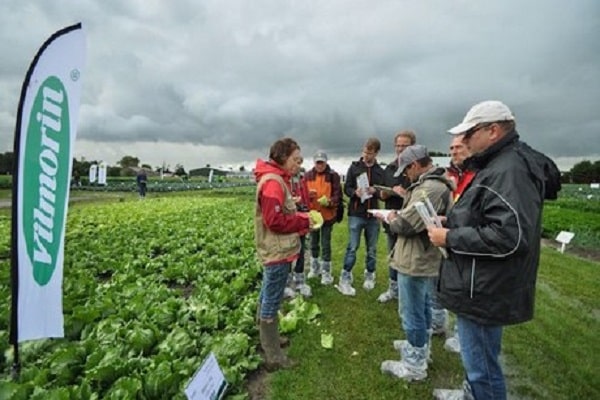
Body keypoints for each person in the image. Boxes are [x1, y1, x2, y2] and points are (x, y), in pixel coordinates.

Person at [428, 101, 546, 399]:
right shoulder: (499, 164)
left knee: (483, 369)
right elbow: (486, 215)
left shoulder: (508, 170)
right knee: (477, 362)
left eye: (469, 134)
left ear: (493, 130)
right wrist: (451, 220)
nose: (463, 142)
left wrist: (451, 237)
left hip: (483, 288)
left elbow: (509, 236)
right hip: (480, 283)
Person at [376, 145, 453, 381]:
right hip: (420, 256)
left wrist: (390, 217)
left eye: (406, 170)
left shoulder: (430, 187)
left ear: (416, 165)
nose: (406, 176)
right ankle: (420, 347)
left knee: (411, 311)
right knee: (421, 308)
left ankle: (414, 365)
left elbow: (406, 225)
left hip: (416, 259)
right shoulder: (434, 184)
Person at [254, 137, 316, 370]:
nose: (299, 164)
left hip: (276, 249)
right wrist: (302, 221)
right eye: (296, 160)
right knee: (272, 298)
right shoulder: (273, 182)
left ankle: (267, 339)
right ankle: (273, 355)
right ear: (282, 157)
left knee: (268, 292)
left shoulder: (277, 179)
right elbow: (274, 221)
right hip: (277, 250)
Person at [438, 134, 477, 352]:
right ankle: (461, 335)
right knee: (458, 288)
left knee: (469, 290)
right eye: (451, 147)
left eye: (459, 147)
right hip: (456, 237)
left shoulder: (477, 175)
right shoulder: (454, 175)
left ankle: (465, 339)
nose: (454, 151)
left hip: (468, 241)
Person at [337, 137, 385, 296]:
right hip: (356, 213)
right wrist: (354, 193)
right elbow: (347, 188)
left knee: (372, 249)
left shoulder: (380, 171)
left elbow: (383, 191)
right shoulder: (355, 167)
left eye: (369, 152)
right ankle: (345, 276)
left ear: (376, 153)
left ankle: (370, 274)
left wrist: (375, 191)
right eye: (364, 151)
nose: (366, 155)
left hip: (373, 215)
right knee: (352, 247)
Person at [377, 130, 415, 303]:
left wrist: (405, 194)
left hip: (411, 221)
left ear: (412, 146)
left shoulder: (416, 168)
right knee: (392, 256)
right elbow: (382, 191)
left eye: (404, 145)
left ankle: (409, 293)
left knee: (409, 258)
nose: (400, 149)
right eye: (398, 145)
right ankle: (393, 289)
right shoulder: (390, 168)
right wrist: (384, 194)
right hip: (391, 219)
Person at [303, 150, 342, 286]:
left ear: (326, 162)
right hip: (313, 216)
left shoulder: (333, 176)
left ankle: (326, 272)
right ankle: (314, 269)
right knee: (313, 243)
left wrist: (330, 201)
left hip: (327, 216)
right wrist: (309, 197)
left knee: (326, 244)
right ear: (314, 163)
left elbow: (338, 195)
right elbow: (303, 195)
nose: (320, 165)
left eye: (322, 162)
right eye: (318, 162)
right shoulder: (307, 176)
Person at [284, 157, 313, 298]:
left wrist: (308, 214)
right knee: (289, 253)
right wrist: (291, 202)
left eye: (299, 164)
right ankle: (287, 284)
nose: (297, 166)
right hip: (289, 222)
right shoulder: (283, 181)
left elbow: (306, 199)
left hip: (301, 220)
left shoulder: (302, 181)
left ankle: (300, 281)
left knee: (301, 250)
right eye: (295, 163)